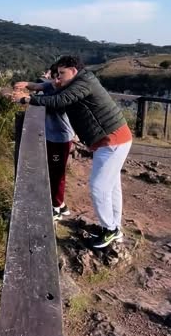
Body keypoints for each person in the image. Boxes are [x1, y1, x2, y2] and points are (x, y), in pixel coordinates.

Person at [13, 55, 132, 249]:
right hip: (114, 138)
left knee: (98, 187)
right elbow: (54, 87)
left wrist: (26, 99)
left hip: (112, 140)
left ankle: (110, 229)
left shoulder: (83, 83)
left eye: (61, 73)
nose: (58, 78)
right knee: (111, 187)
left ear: (74, 71)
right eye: (57, 73)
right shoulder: (80, 80)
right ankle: (113, 227)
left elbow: (60, 99)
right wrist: (35, 85)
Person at [14, 65, 75, 220]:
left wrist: (24, 98)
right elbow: (37, 86)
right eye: (54, 76)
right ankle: (60, 204)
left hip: (61, 139)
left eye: (60, 76)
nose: (56, 80)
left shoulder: (62, 93)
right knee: (53, 171)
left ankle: (55, 208)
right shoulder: (52, 85)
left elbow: (45, 101)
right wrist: (25, 84)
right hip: (53, 137)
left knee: (57, 174)